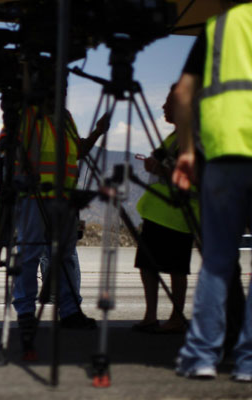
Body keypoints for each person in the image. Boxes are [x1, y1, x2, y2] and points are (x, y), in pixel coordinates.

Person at [172, 2, 252, 382]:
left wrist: (187, 148)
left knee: (218, 259)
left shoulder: (219, 27)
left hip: (223, 155)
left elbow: (184, 92)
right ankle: (249, 362)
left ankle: (202, 355)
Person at [12, 96, 110, 356]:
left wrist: (98, 132)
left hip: (65, 198)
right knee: (30, 252)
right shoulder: (28, 113)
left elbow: (77, 151)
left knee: (65, 256)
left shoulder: (65, 118)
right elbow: (9, 147)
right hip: (35, 196)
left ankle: (69, 311)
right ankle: (25, 312)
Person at [132, 84, 199, 334]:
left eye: (168, 101)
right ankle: (152, 316)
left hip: (177, 215)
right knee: (148, 265)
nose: (163, 107)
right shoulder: (175, 136)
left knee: (176, 268)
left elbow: (193, 176)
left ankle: (177, 317)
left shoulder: (190, 137)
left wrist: (159, 169)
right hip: (158, 213)